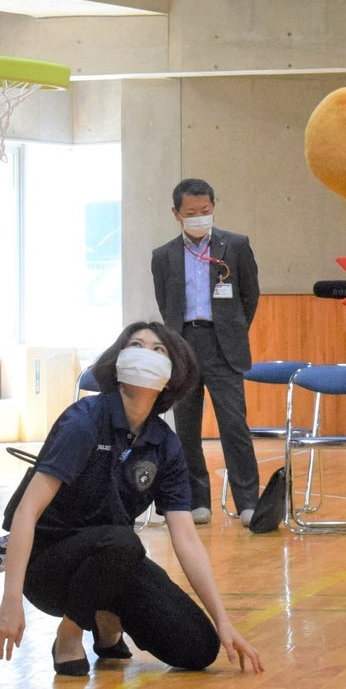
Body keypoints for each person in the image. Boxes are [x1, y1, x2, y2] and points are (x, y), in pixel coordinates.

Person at [0, 321, 264, 676]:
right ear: (119, 360)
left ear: (171, 371)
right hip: (47, 565)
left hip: (112, 558)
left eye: (157, 350)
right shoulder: (84, 422)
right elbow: (26, 513)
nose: (145, 354)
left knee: (198, 647)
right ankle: (69, 635)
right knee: (123, 541)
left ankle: (107, 619)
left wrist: (224, 621)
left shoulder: (165, 445)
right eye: (136, 345)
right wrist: (10, 601)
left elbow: (186, 538)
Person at [150, 178, 261, 525]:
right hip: (183, 346)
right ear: (176, 214)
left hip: (222, 346)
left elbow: (250, 297)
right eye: (191, 213)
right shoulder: (163, 256)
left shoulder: (236, 246)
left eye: (205, 211)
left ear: (214, 207)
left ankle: (248, 502)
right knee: (186, 429)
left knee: (234, 426)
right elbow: (165, 303)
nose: (199, 217)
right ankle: (198, 501)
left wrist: (232, 330)